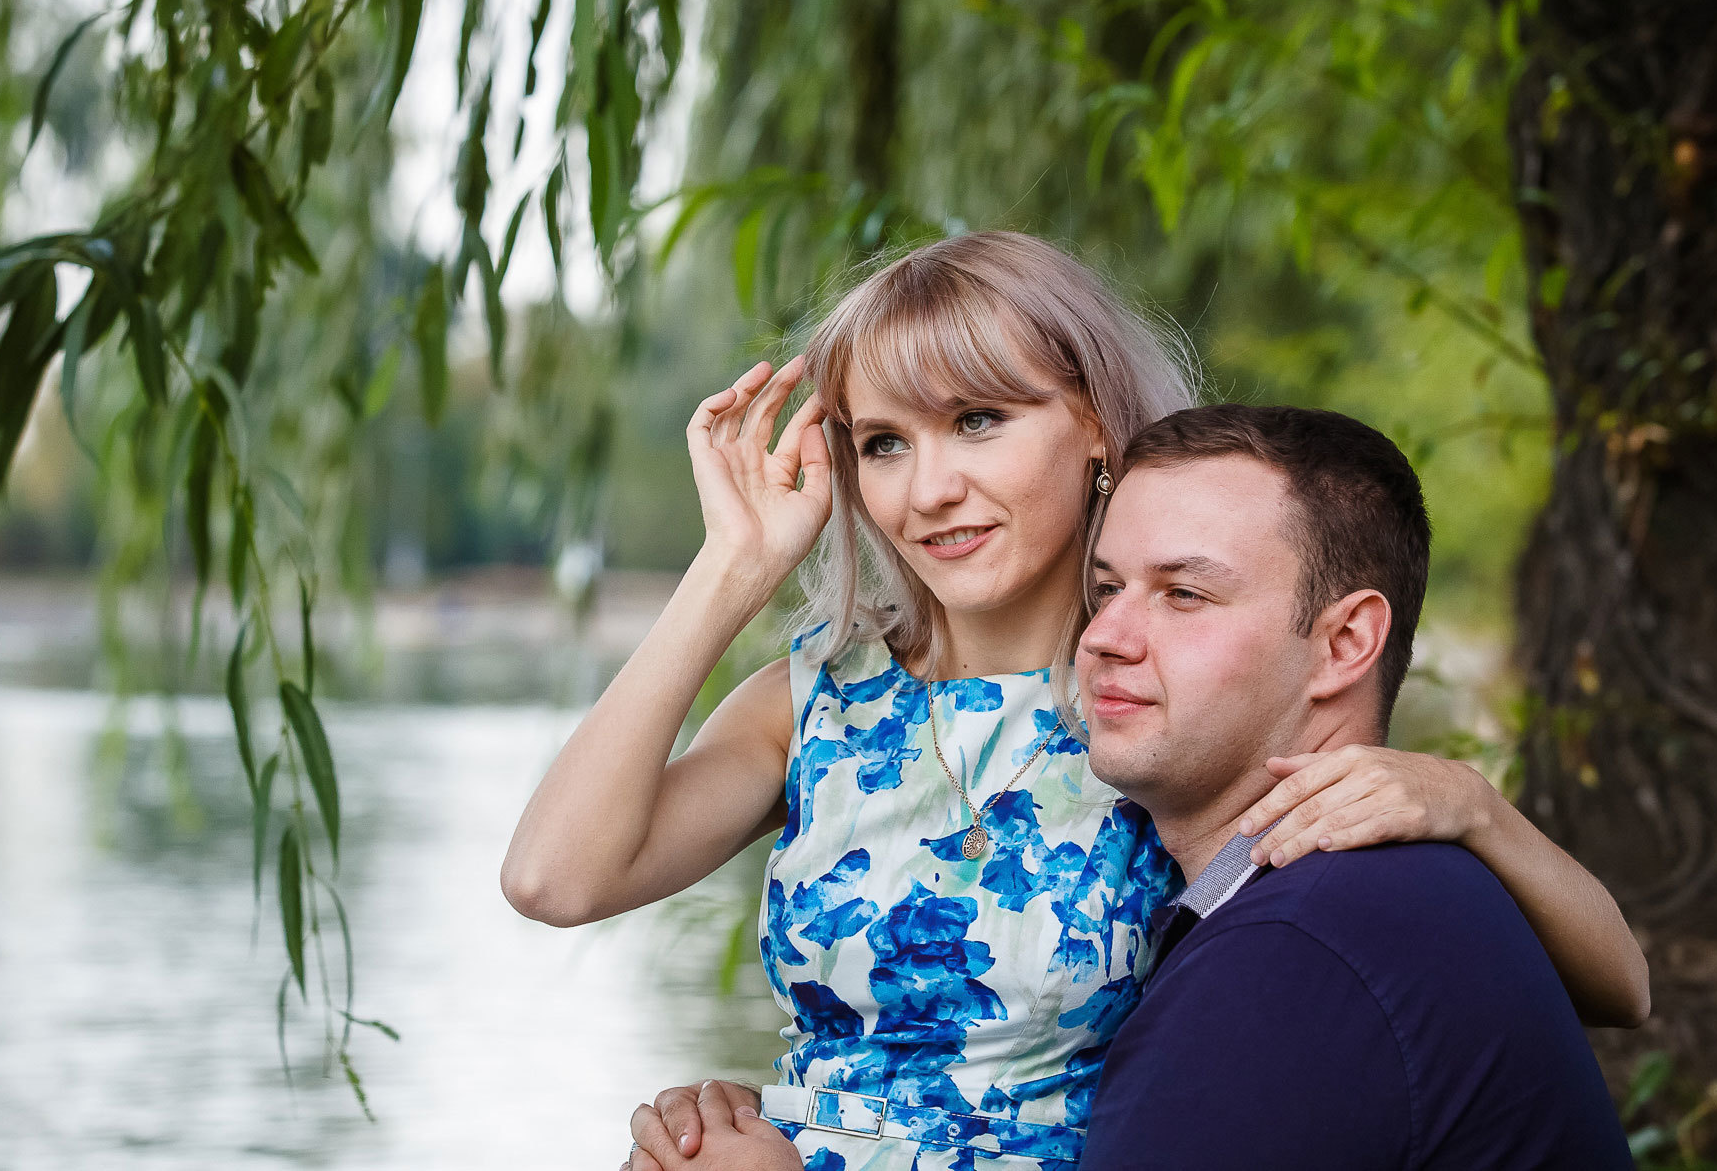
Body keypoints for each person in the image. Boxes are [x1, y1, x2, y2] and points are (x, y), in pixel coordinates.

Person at [499, 234, 1647, 1171]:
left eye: (976, 420)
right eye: (883, 443)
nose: (928, 487)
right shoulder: (814, 700)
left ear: (1095, 419)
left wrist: (1471, 807)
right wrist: (732, 567)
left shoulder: (1159, 706)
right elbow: (555, 879)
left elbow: (1612, 985)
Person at [656, 404, 1635, 1171]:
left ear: (1344, 643)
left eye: (1184, 594)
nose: (1105, 638)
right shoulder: (1382, 885)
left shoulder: (1287, 961)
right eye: (1106, 589)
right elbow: (1623, 990)